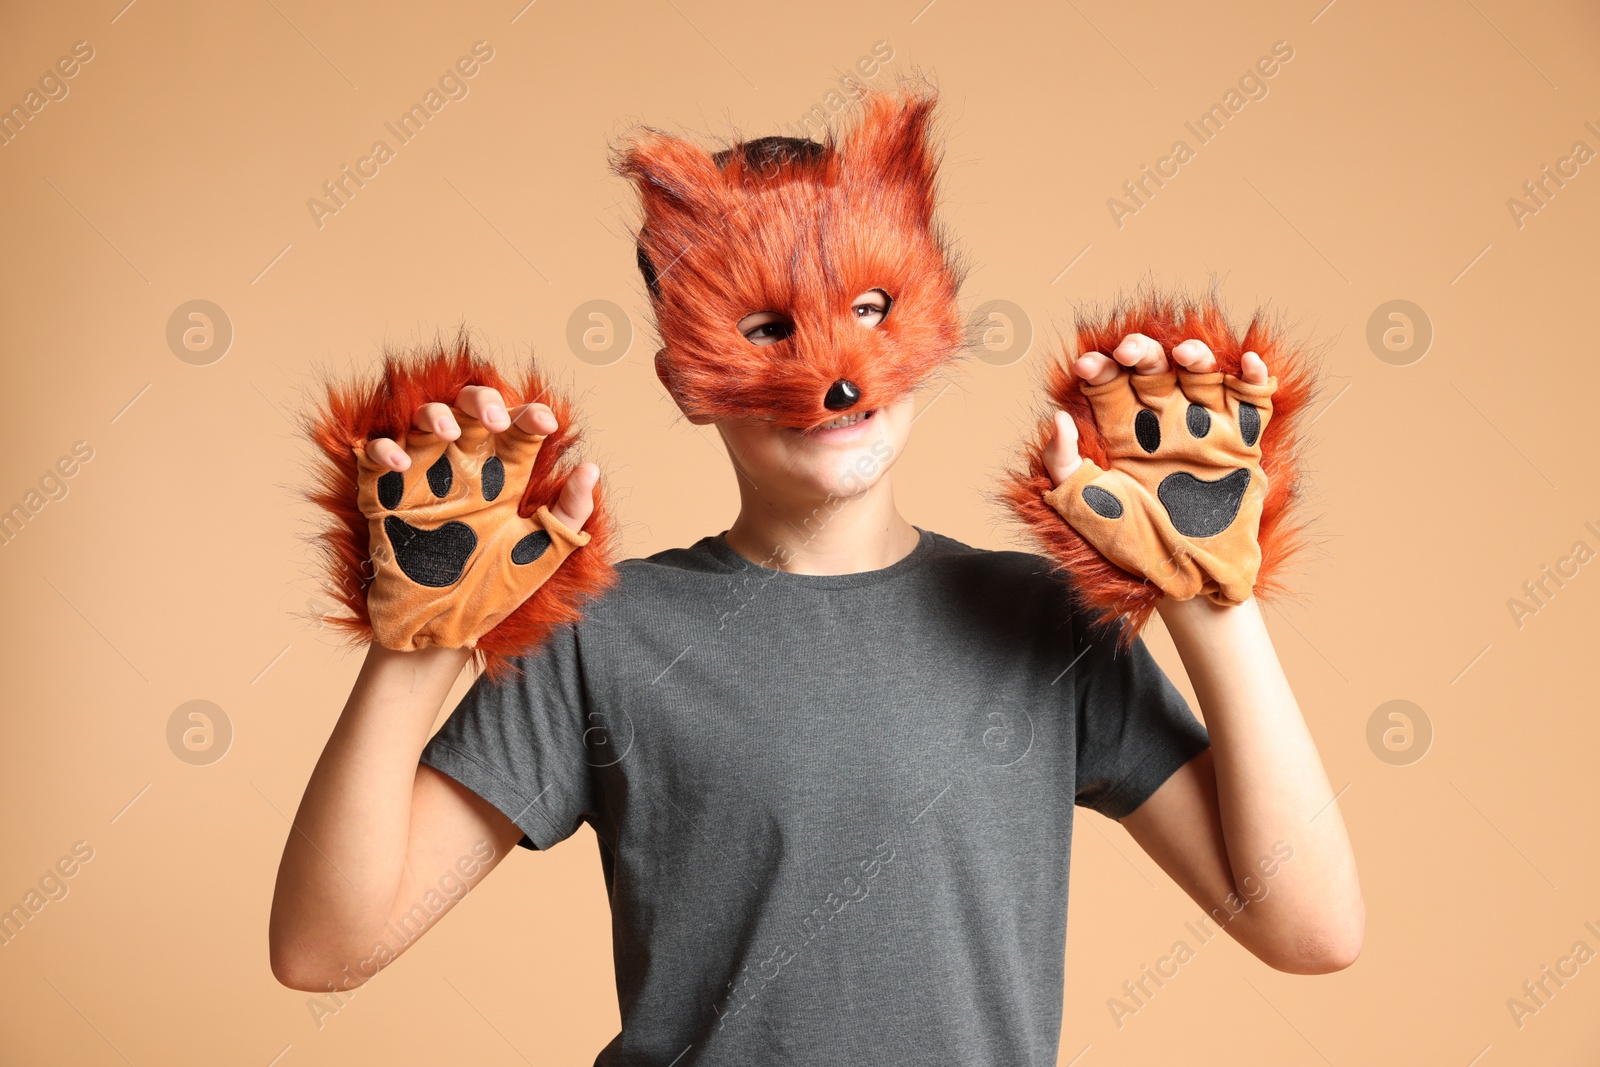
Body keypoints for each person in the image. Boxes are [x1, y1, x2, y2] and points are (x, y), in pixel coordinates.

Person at [269, 90, 1362, 1065]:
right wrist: (415, 643)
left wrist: (1209, 594)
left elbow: (1310, 927)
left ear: (930, 316)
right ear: (686, 380)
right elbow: (325, 949)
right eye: (764, 327)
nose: (832, 374)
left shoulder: (1039, 619)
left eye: (872, 308)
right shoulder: (605, 632)